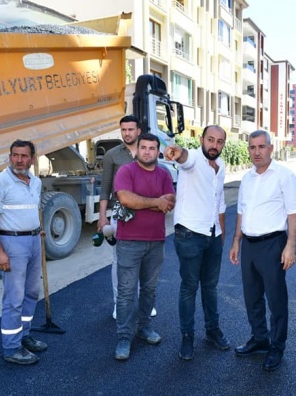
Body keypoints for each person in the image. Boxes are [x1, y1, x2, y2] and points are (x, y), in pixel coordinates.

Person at [229, 130, 296, 372]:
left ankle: (277, 346)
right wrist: (236, 240)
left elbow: (293, 212)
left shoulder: (284, 176)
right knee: (252, 298)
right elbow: (241, 211)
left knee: (276, 298)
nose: (256, 152)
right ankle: (260, 338)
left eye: (261, 147)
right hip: (248, 244)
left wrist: (290, 246)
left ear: (271, 148)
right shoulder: (247, 178)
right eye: (252, 147)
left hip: (273, 244)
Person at [164, 125, 230, 361]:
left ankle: (212, 331)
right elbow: (183, 156)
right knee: (189, 287)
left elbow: (220, 201)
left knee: (211, 287)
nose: (214, 145)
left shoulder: (221, 166)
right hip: (190, 234)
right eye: (210, 140)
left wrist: (222, 234)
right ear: (201, 139)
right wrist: (175, 151)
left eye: (220, 142)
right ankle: (187, 336)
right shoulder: (192, 159)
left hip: (213, 235)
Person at [0, 139, 47, 365]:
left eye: (23, 156)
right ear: (9, 156)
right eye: (15, 155)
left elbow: (30, 210)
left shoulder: (36, 182)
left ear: (32, 158)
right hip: (12, 244)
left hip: (32, 241)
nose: (19, 160)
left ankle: (24, 334)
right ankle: (11, 348)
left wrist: (37, 231)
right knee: (14, 298)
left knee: (31, 293)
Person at [113, 133, 176, 361]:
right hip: (129, 241)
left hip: (156, 241)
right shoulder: (126, 171)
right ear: (137, 150)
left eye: (152, 148)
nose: (147, 151)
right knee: (127, 292)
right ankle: (123, 337)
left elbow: (169, 201)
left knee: (149, 290)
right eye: (144, 148)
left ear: (158, 151)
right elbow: (126, 200)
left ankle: (144, 327)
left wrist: (149, 203)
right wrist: (155, 203)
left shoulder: (164, 173)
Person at [97, 115, 156, 320]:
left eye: (131, 129)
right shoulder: (112, 155)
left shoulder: (148, 151)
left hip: (146, 215)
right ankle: (118, 303)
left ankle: (144, 305)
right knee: (118, 262)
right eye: (123, 130)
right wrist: (102, 217)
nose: (127, 133)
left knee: (145, 261)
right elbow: (105, 188)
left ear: (138, 131)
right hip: (120, 216)